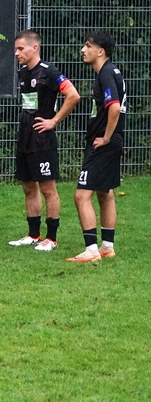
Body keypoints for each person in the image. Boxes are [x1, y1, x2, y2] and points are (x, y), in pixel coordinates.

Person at [8, 30, 80, 251]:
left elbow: (73, 95)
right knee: (28, 186)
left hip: (43, 141)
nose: (17, 53)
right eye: (16, 49)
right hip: (25, 138)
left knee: (48, 189)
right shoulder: (23, 73)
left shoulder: (49, 72)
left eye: (21, 49)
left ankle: (52, 238)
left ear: (34, 48)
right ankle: (33, 234)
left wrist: (53, 121)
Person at [68, 30, 127, 263]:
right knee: (105, 192)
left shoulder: (106, 74)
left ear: (100, 51)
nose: (83, 50)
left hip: (104, 144)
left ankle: (91, 250)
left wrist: (105, 137)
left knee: (81, 195)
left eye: (88, 46)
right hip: (113, 142)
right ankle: (107, 247)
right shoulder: (112, 72)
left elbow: (114, 108)